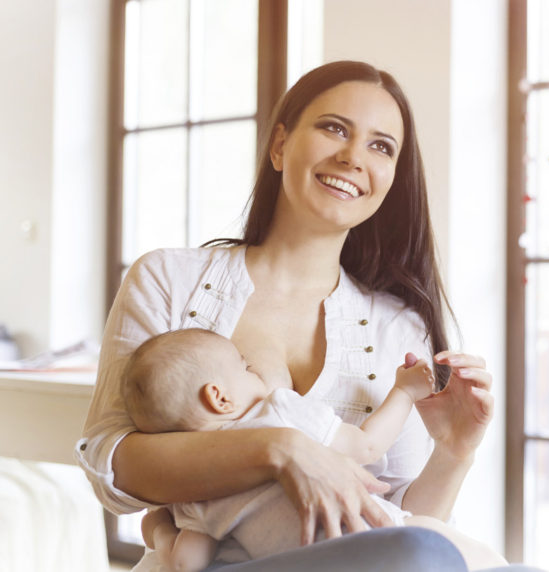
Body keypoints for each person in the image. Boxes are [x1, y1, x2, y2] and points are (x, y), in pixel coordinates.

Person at [75, 60, 511, 572]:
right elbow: (114, 464)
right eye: (334, 128)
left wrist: (455, 450)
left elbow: (401, 530)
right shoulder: (168, 278)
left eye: (381, 146)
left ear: (392, 179)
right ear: (280, 145)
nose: (352, 157)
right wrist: (279, 448)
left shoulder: (401, 325)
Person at [122, 328, 508, 571]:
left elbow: (188, 564)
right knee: (479, 558)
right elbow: (366, 445)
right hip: (382, 540)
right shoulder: (276, 409)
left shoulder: (191, 493)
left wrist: (157, 529)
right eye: (243, 366)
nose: (254, 370)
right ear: (219, 397)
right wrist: (404, 391)